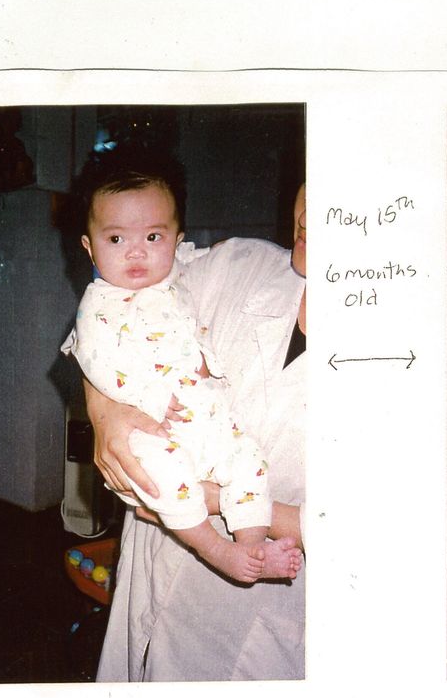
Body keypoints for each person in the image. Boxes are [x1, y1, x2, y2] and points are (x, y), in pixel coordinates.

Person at [86, 180, 307, 680]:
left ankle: (242, 547)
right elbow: (118, 289)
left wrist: (219, 499)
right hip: (152, 562)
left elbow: (375, 534)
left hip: (255, 623)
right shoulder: (238, 265)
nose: (308, 215)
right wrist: (106, 409)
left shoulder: (406, 358)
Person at [65, 153, 301, 586]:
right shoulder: (99, 303)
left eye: (153, 236)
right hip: (151, 429)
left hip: (203, 420)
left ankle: (252, 546)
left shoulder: (171, 276)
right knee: (167, 479)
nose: (137, 251)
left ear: (176, 242)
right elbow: (91, 355)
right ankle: (216, 549)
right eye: (115, 239)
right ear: (88, 246)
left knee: (248, 461)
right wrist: (109, 409)